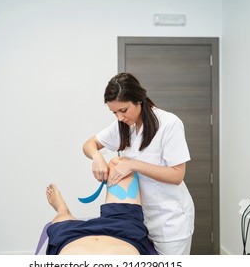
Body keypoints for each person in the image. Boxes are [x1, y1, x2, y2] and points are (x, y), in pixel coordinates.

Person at [82, 72, 195, 255]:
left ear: (139, 100)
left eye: (123, 110)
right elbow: (88, 144)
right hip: (142, 220)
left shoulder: (169, 124)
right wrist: (97, 157)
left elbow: (177, 175)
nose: (119, 117)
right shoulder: (124, 126)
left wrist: (133, 164)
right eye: (114, 112)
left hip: (170, 220)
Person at [45, 158, 156, 255]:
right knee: (120, 163)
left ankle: (62, 211)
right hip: (125, 232)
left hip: (69, 236)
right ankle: (63, 212)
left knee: (118, 163)